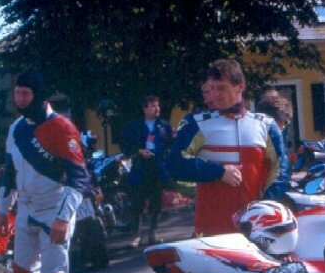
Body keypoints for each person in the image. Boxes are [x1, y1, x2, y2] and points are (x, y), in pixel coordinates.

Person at [0, 70, 90, 273]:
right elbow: (9, 171)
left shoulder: (62, 127)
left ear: (39, 95)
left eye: (26, 94)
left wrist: (63, 217)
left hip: (55, 211)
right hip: (25, 211)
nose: (20, 99)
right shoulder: (16, 128)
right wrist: (2, 211)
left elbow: (79, 178)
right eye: (17, 94)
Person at [166, 59, 287, 237]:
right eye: (212, 88)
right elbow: (174, 164)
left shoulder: (266, 126)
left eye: (222, 88)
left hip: (254, 230)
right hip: (211, 229)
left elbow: (280, 171)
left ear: (240, 87)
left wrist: (265, 208)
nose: (215, 94)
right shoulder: (196, 123)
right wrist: (219, 172)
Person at [120, 95, 174, 248]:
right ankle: (136, 236)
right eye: (153, 106)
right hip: (140, 167)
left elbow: (171, 144)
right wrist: (138, 151)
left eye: (157, 106)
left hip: (157, 167)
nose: (157, 109)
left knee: (156, 202)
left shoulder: (164, 126)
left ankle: (153, 234)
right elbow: (125, 144)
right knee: (137, 201)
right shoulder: (135, 126)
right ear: (145, 109)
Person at [255, 94, 294, 200]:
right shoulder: (273, 136)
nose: (285, 127)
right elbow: (281, 172)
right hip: (264, 198)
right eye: (286, 122)